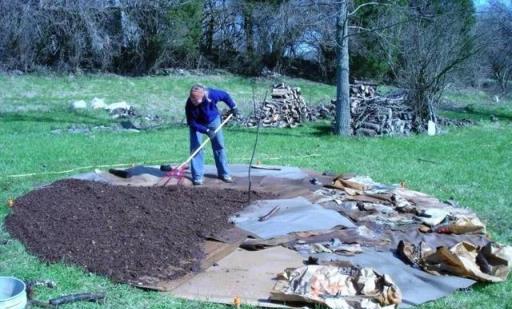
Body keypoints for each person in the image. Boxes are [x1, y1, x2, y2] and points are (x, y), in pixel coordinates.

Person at [184, 84, 239, 185]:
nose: (194, 102)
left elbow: (225, 95)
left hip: (213, 120)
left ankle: (224, 173)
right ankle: (197, 176)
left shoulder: (212, 94)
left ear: (203, 96)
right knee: (196, 148)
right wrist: (206, 131)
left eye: (196, 101)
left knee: (219, 145)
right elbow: (192, 122)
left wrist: (233, 106)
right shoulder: (189, 104)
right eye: (192, 100)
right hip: (197, 124)